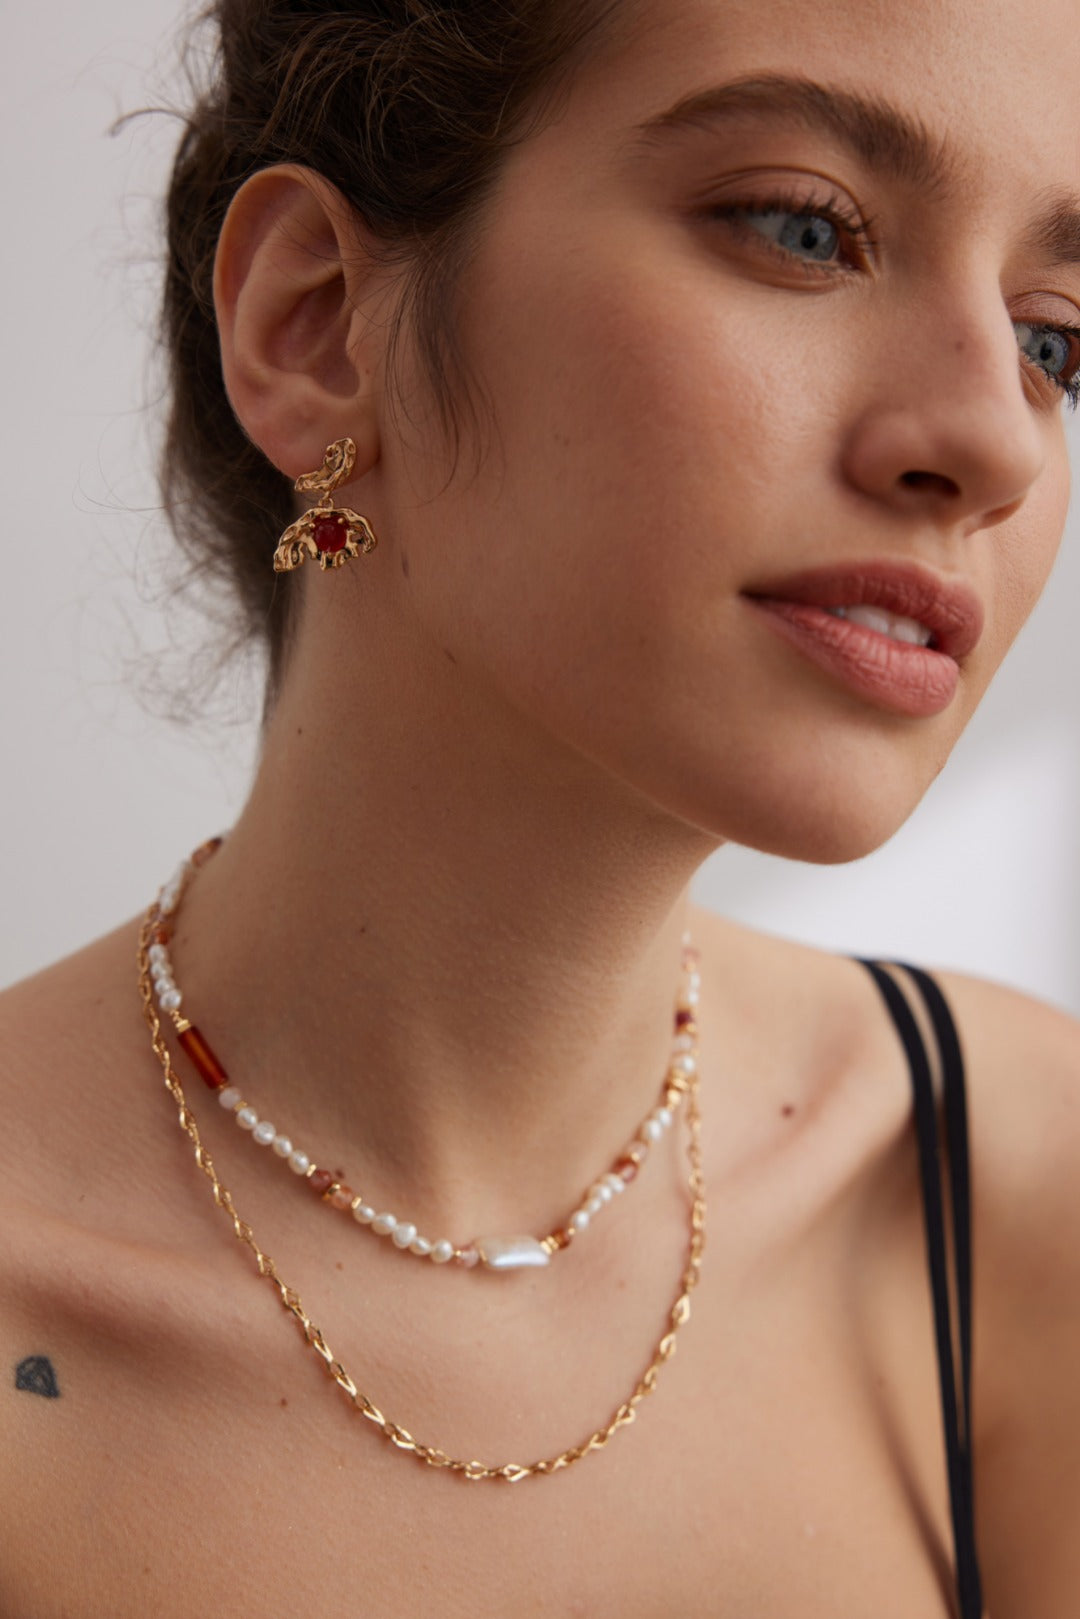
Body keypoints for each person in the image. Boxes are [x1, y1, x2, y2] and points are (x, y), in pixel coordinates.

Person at [2, 0, 1079, 1611]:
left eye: (1057, 337)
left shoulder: (1021, 1202)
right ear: (314, 324)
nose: (996, 435)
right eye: (804, 228)